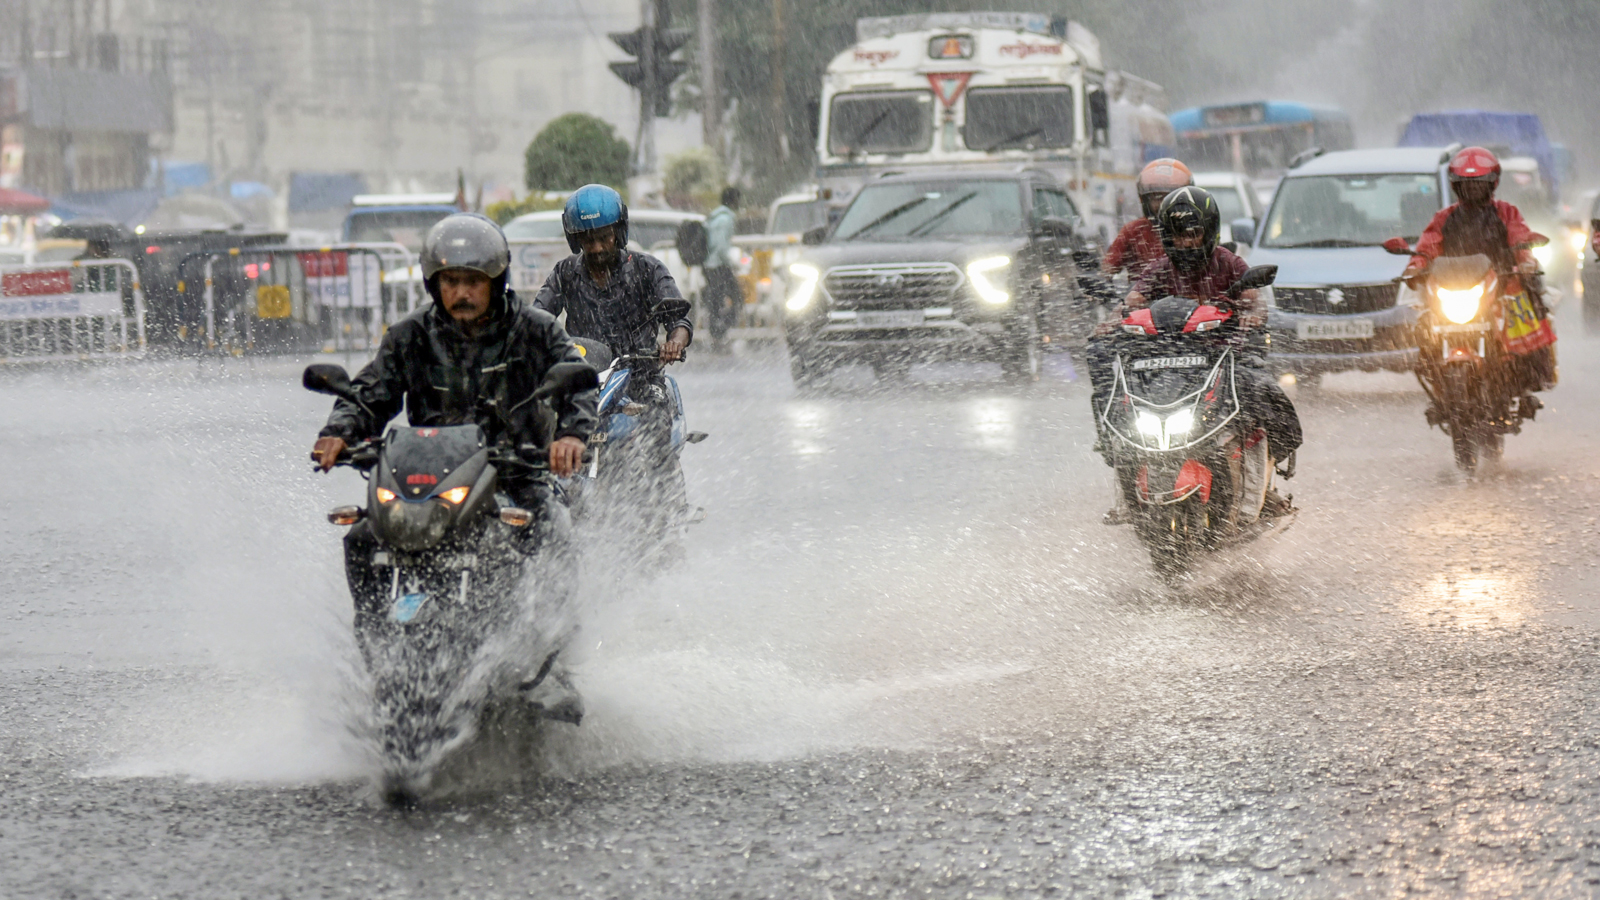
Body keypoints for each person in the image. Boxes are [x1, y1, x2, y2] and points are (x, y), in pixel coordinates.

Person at [1096, 187, 1301, 521]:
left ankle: (1264, 493)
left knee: (1260, 403)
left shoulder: (1228, 261)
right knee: (1123, 413)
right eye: (1177, 236)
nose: (1187, 242)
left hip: (1224, 357)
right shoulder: (1161, 267)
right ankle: (1128, 502)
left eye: (1193, 234)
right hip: (1168, 362)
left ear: (1210, 231)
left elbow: (1254, 299)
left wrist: (1252, 316)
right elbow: (1132, 301)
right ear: (1166, 237)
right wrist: (1112, 322)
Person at [534, 184, 696, 527]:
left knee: (654, 425)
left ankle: (664, 514)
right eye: (587, 239)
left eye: (603, 237)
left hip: (639, 380)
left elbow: (679, 319)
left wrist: (674, 343)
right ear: (575, 239)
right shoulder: (564, 274)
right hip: (582, 381)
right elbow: (538, 319)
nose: (596, 247)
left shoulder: (648, 269)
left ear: (618, 231)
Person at [1401, 146, 1555, 399]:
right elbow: (1427, 247)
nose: (1472, 189)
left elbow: (1520, 238)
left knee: (1528, 309)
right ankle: (1434, 372)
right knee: (1424, 324)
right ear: (1456, 186)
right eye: (1466, 184)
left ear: (1492, 184)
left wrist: (1526, 262)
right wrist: (1414, 267)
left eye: (1479, 183)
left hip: (1499, 285)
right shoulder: (1443, 217)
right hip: (1451, 287)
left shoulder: (1507, 212)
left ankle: (1528, 377)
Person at [1101, 158, 1193, 282]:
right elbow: (1108, 268)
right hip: (1139, 298)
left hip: (1187, 299)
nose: (1163, 204)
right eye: (1157, 198)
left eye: (1169, 198)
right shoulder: (1133, 231)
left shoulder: (1195, 230)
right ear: (1145, 200)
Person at [701, 186, 742, 348]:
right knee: (735, 298)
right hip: (719, 266)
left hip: (709, 266)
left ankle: (717, 333)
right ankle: (719, 332)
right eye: (738, 199)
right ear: (733, 200)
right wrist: (731, 263)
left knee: (716, 300)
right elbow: (721, 247)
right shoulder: (725, 219)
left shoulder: (714, 217)